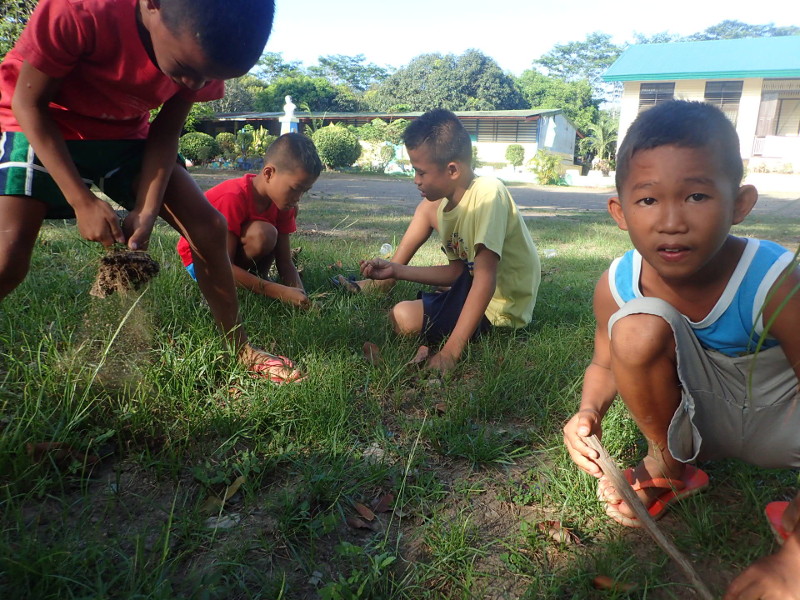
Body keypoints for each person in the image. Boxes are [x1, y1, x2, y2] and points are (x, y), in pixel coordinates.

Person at [561, 100, 800, 598]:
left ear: (739, 203)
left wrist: (795, 561)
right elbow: (604, 363)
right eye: (648, 200)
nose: (671, 221)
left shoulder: (775, 280)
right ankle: (669, 467)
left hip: (783, 425)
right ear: (620, 211)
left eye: (696, 195)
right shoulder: (619, 283)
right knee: (634, 328)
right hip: (699, 423)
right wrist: (588, 411)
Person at [0, 0, 302, 383]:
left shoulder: (203, 56)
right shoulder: (80, 9)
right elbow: (29, 103)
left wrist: (146, 209)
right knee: (8, 256)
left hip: (126, 134)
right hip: (39, 123)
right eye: (186, 70)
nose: (195, 85)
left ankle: (239, 348)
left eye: (207, 79)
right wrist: (81, 200)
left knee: (208, 228)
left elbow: (165, 133)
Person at [359, 109, 541, 373]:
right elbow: (457, 272)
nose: (416, 181)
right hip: (473, 289)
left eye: (421, 172)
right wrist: (396, 270)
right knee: (401, 315)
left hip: (500, 310)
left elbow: (485, 279)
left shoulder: (488, 193)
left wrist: (450, 352)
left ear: (452, 169)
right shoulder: (445, 209)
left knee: (402, 317)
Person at [177, 133, 320, 309]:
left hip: (230, 259)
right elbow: (221, 265)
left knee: (267, 232)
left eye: (304, 191)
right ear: (269, 173)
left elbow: (284, 261)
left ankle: (258, 280)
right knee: (263, 233)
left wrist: (301, 296)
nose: (298, 197)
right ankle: (218, 289)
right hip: (204, 262)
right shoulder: (232, 197)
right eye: (295, 189)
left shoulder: (285, 205)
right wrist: (278, 291)